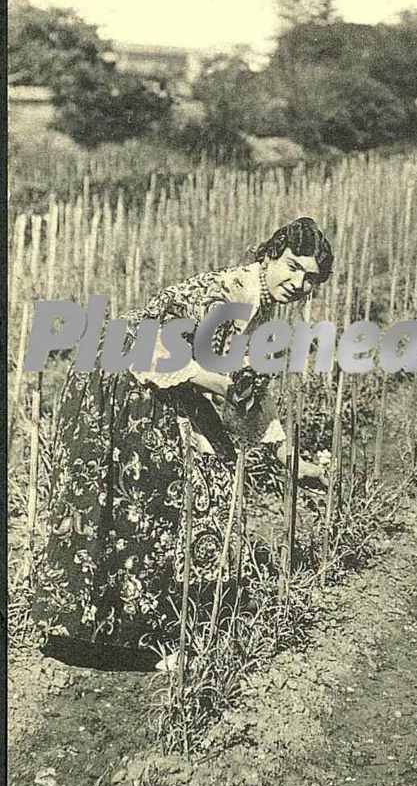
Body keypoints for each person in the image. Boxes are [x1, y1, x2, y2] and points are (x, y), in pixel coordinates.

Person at [32, 216, 334, 663]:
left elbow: (249, 395)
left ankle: (144, 623)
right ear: (270, 255)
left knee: (195, 484)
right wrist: (223, 387)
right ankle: (145, 641)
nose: (297, 282)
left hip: (150, 377)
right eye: (291, 266)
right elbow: (169, 355)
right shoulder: (232, 294)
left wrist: (290, 459)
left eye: (309, 278)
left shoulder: (259, 303)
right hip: (125, 374)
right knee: (151, 496)